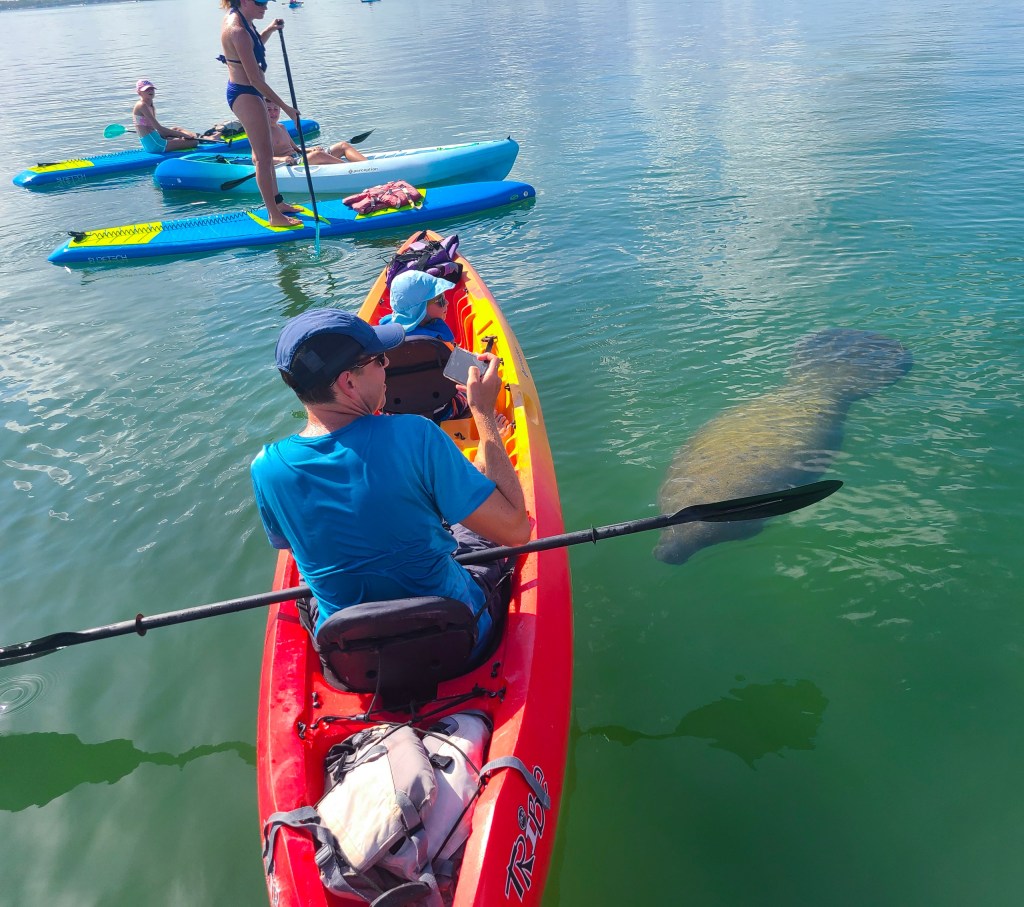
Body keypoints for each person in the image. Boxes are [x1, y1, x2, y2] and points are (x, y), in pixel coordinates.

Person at [250, 309, 530, 655]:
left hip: (351, 656)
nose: (388, 368)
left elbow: (299, 549)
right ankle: (475, 470)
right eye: (379, 360)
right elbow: (516, 531)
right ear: (347, 383)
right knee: (473, 536)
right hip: (458, 637)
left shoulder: (266, 468)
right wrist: (483, 412)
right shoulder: (416, 435)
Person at [218, 0, 302, 227]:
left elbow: (253, 49)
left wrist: (270, 30)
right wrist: (286, 108)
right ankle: (274, 216)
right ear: (245, 1)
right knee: (264, 159)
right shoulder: (238, 30)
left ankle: (278, 203)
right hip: (245, 93)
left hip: (250, 90)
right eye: (261, 2)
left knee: (262, 155)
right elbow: (254, 77)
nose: (265, 7)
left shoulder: (245, 21)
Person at [266, 101, 368, 166]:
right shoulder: (262, 132)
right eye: (269, 110)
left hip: (299, 157)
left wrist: (312, 149)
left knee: (342, 145)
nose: (273, 113)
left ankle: (369, 166)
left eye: (276, 109)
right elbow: (257, 159)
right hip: (291, 164)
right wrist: (282, 159)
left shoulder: (281, 127)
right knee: (318, 155)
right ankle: (353, 169)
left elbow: (296, 149)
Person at [379, 271, 456, 341]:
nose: (447, 302)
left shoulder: (386, 332)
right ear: (420, 310)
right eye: (441, 300)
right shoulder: (437, 341)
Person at [132, 80, 200, 153]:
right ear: (139, 93)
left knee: (175, 129)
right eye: (146, 90)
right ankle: (195, 138)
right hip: (156, 145)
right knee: (194, 142)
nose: (150, 91)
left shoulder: (150, 105)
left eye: (151, 89)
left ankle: (196, 136)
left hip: (154, 138)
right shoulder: (141, 105)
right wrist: (182, 135)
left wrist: (174, 135)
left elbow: (154, 129)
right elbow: (159, 128)